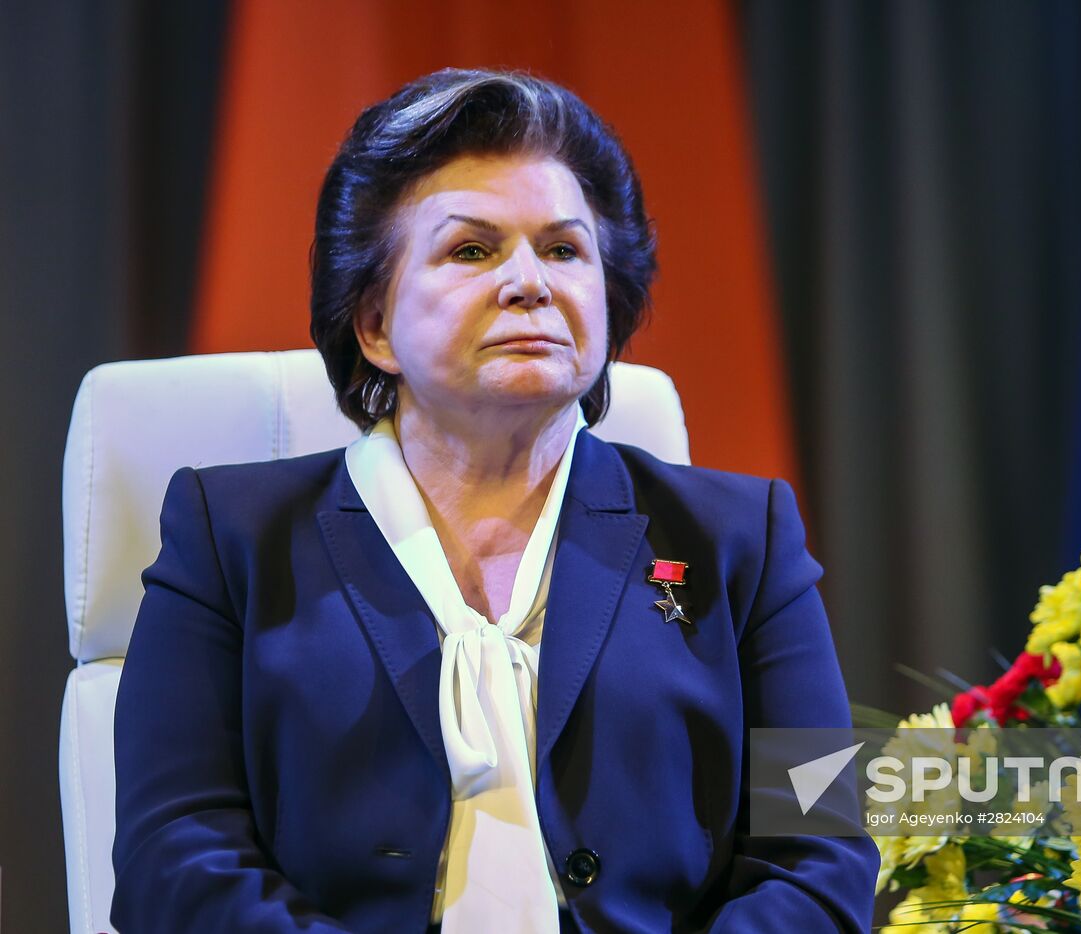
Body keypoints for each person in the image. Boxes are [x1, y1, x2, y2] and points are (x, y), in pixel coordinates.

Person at [111, 67, 877, 933]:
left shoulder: (743, 540)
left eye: (563, 250)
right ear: (373, 325)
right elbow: (172, 858)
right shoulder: (230, 539)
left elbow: (824, 849)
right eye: (471, 250)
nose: (530, 283)